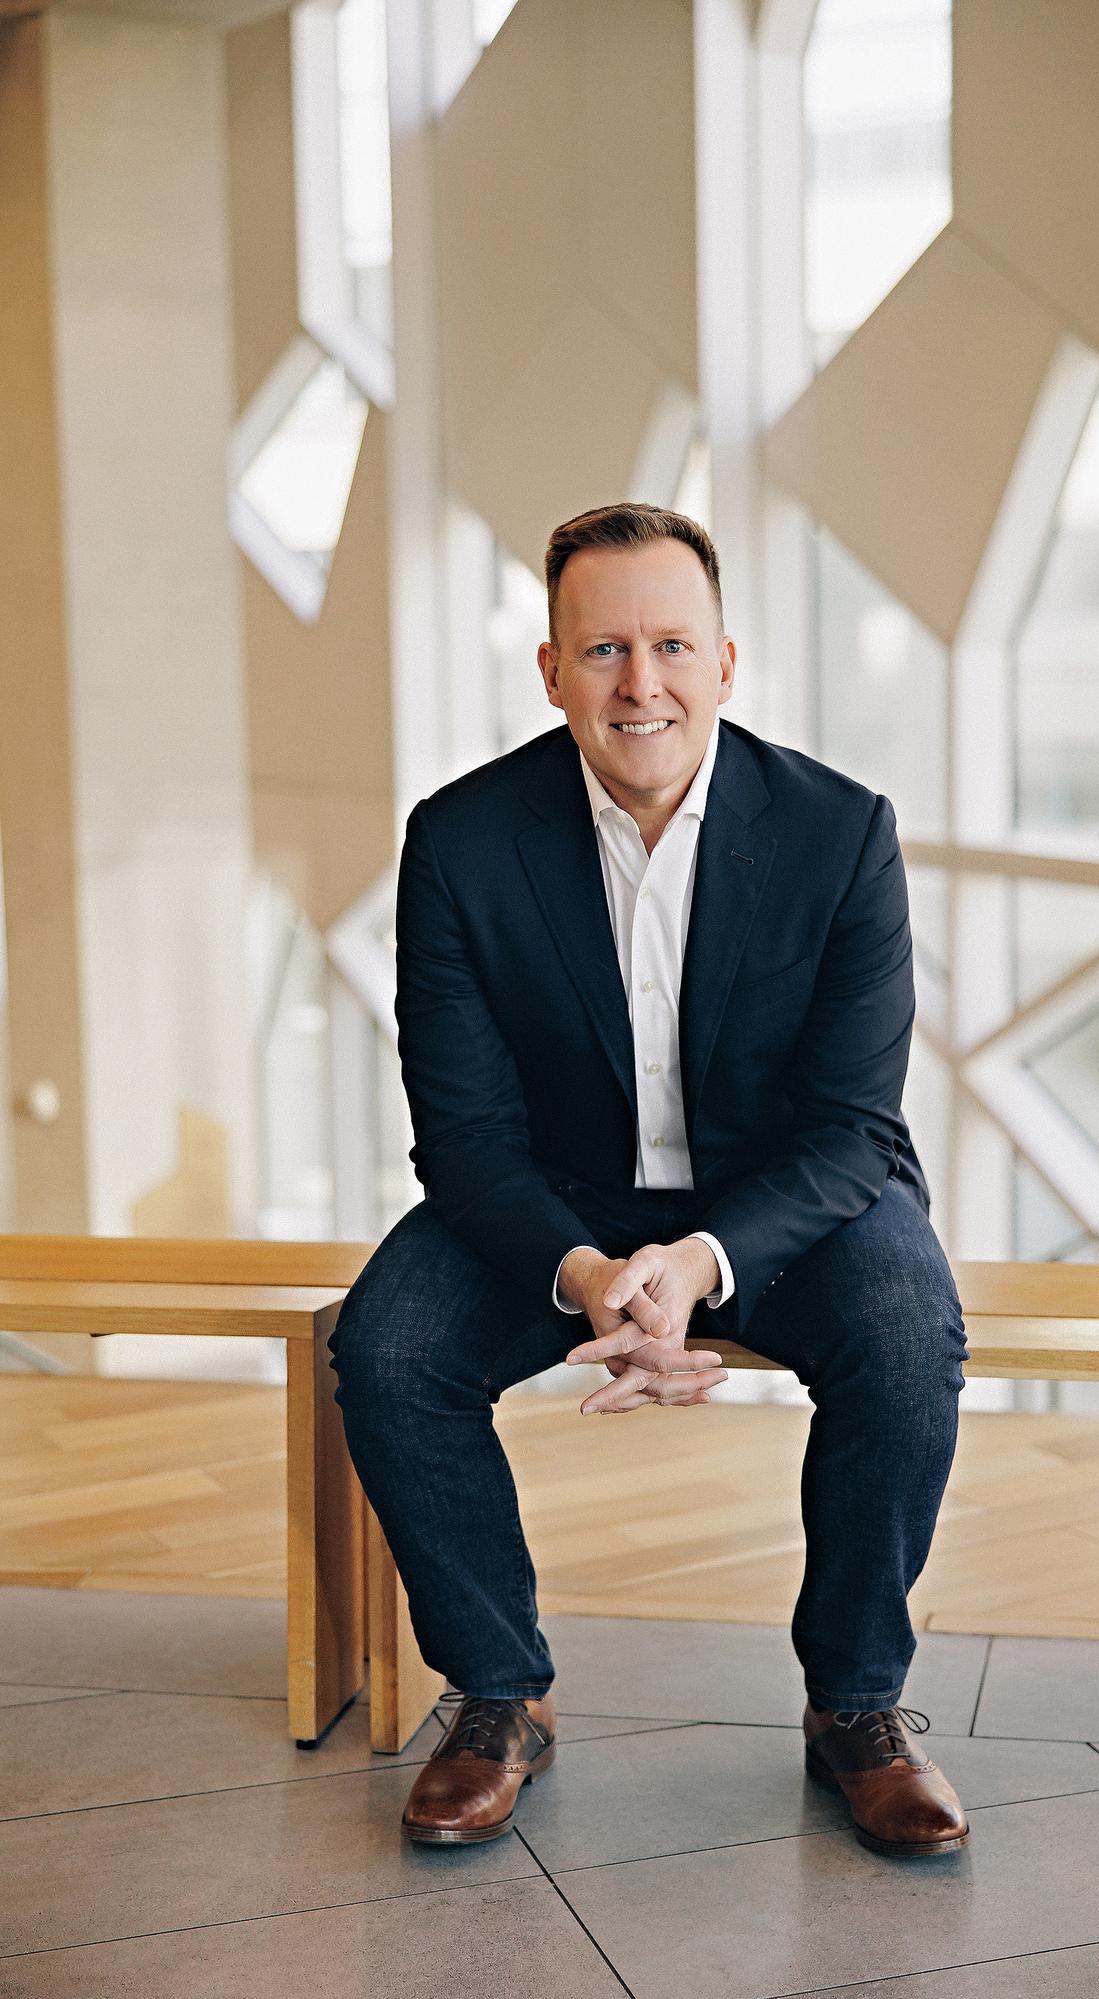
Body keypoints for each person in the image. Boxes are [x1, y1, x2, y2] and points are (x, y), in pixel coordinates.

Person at [327, 500, 971, 1858]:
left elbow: (854, 1127)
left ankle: (854, 1704)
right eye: (603, 649)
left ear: (725, 663)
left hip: (783, 1201)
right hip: (548, 1203)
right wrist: (584, 1272)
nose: (640, 683)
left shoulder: (838, 833)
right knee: (389, 1351)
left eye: (671, 644)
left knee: (907, 1334)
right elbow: (463, 1135)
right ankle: (499, 1693)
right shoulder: (462, 839)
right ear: (550, 671)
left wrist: (691, 1267)